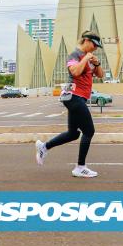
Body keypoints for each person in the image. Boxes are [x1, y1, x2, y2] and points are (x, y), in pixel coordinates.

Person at [35, 30, 104, 177]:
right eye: (94, 44)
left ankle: (44, 147)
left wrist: (97, 63)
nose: (95, 48)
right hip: (73, 96)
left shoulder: (90, 58)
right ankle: (80, 167)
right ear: (86, 40)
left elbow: (100, 75)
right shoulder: (75, 55)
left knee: (73, 134)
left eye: (97, 46)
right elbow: (75, 72)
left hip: (79, 97)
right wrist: (86, 59)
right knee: (89, 131)